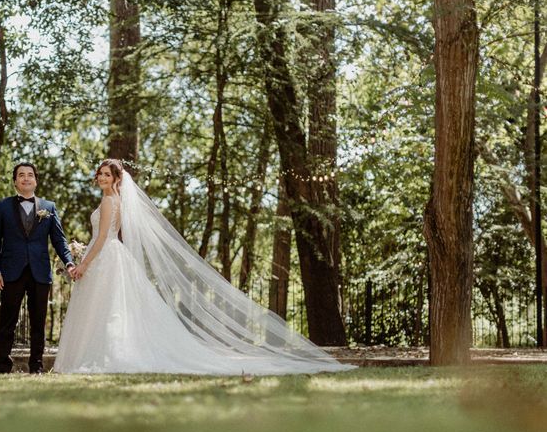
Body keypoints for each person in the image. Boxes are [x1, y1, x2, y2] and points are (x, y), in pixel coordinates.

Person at [54, 159, 353, 375]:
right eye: (100, 174)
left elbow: (104, 236)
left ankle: (104, 355)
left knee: (107, 309)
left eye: (107, 174)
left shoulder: (109, 202)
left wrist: (83, 264)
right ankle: (104, 353)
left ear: (116, 179)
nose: (102, 177)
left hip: (105, 256)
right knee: (109, 309)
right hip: (109, 257)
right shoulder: (115, 200)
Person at [0, 162, 75, 374]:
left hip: (39, 271)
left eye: (29, 175)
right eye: (21, 175)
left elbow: (59, 240)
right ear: (15, 181)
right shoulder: (2, 206)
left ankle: (36, 366)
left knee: (38, 322)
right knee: (8, 320)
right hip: (10, 270)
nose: (26, 178)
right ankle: (3, 365)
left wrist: (69, 261)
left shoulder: (49, 207)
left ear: (35, 180)